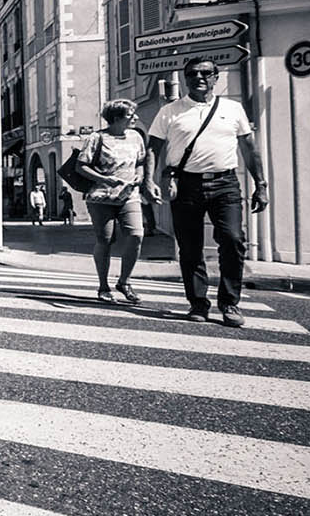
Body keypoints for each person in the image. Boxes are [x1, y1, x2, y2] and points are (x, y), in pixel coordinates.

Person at [146, 55, 268, 327]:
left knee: (233, 240)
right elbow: (153, 149)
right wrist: (148, 180)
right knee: (189, 248)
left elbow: (249, 148)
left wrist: (261, 184)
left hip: (226, 183)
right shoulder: (170, 111)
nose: (198, 78)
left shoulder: (233, 109)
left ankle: (230, 303)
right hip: (186, 185)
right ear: (186, 79)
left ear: (215, 77)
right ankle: (198, 303)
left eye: (205, 73)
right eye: (192, 74)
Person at [76, 99, 149, 305]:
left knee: (136, 235)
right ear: (116, 118)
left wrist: (140, 177)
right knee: (105, 240)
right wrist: (105, 179)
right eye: (130, 115)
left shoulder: (136, 137)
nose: (135, 118)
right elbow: (81, 167)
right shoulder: (97, 137)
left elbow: (141, 162)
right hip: (101, 197)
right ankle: (103, 285)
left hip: (129, 195)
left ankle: (124, 282)